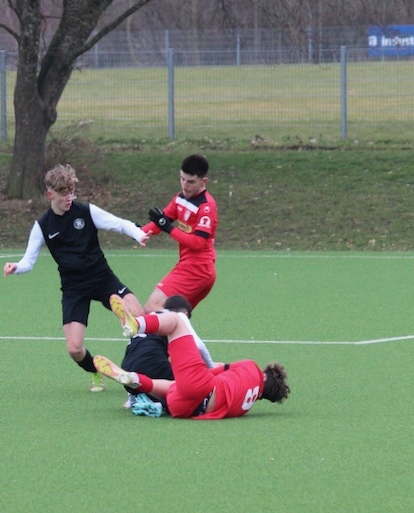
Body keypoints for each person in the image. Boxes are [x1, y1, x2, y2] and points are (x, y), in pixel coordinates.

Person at [4, 164, 149, 392]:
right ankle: (96, 370)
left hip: (102, 279)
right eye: (64, 194)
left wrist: (138, 234)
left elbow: (119, 224)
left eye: (71, 192)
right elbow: (28, 262)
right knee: (74, 349)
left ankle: (146, 372)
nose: (69, 198)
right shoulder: (42, 226)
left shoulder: (86, 212)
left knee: (140, 317)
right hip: (74, 289)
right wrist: (16, 267)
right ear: (50, 195)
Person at [95, 294, 290, 419]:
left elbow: (217, 369)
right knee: (171, 385)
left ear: (266, 374)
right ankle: (132, 379)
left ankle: (136, 324)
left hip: (201, 387)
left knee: (176, 321)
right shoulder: (245, 408)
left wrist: (205, 367)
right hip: (185, 409)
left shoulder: (252, 367)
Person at [140, 154, 218, 312]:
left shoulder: (206, 207)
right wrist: (136, 232)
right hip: (191, 266)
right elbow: (161, 222)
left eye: (191, 182)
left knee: (152, 308)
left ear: (203, 182)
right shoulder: (180, 198)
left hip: (197, 268)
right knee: (176, 315)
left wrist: (168, 228)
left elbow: (198, 243)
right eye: (182, 179)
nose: (185, 185)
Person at [114, 295, 213, 409]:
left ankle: (136, 399)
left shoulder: (147, 319)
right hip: (153, 366)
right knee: (190, 387)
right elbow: (199, 346)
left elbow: (133, 353)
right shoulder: (178, 317)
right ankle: (160, 405)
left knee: (140, 371)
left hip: (128, 367)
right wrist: (211, 369)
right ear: (186, 313)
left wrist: (131, 398)